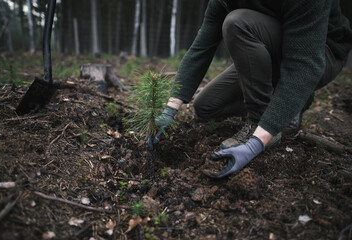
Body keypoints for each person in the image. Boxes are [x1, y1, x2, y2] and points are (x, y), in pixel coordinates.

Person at [147, 0, 352, 178]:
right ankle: (293, 103)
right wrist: (169, 111)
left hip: (320, 52)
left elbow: (304, 66)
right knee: (206, 106)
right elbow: (201, 48)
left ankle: (261, 122)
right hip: (271, 44)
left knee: (237, 23)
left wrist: (256, 143)